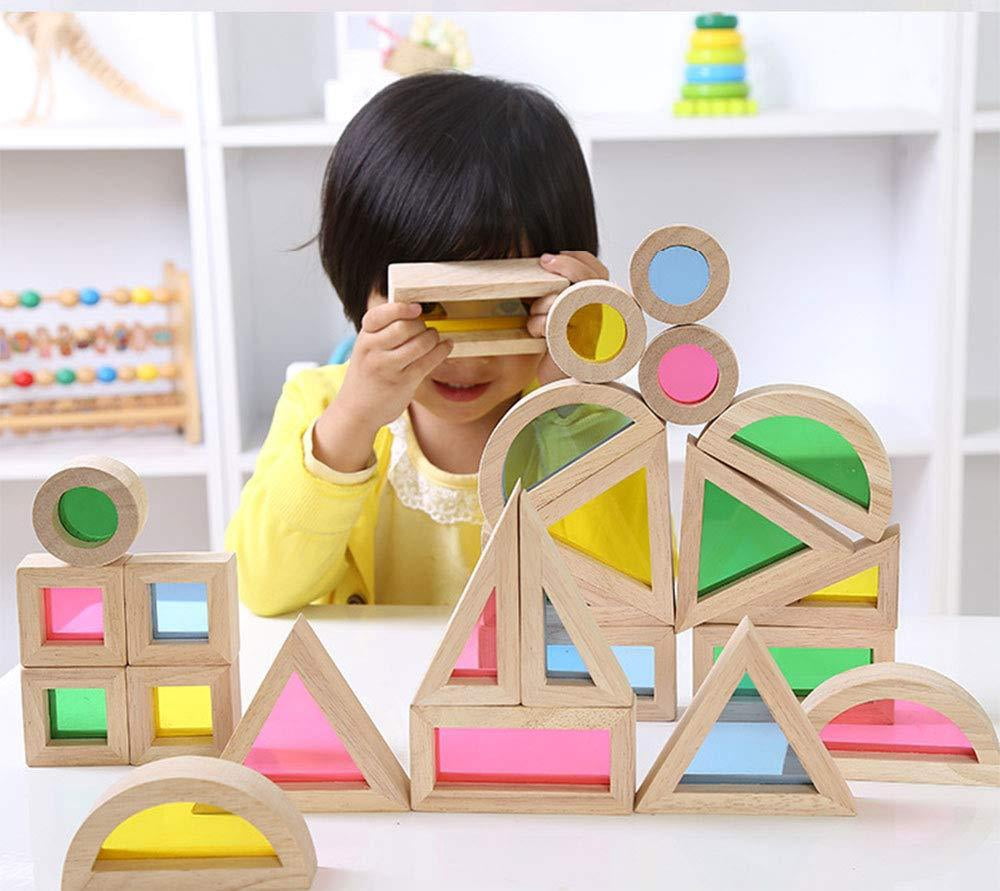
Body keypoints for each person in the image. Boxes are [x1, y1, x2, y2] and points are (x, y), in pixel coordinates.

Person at [227, 72, 649, 615]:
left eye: (508, 304)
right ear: (359, 285)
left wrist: (572, 398)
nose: (467, 358)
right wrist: (350, 423)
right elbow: (259, 589)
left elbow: (634, 600)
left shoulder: (589, 418)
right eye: (429, 307)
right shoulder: (321, 403)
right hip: (369, 673)